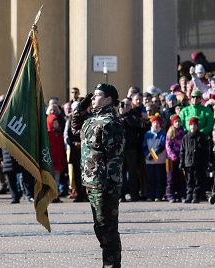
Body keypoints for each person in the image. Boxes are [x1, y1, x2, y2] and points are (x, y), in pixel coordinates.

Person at [71, 83, 124, 267]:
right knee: (101, 229)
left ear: (109, 99)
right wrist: (80, 107)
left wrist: (111, 185)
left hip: (104, 185)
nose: (93, 98)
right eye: (92, 96)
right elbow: (75, 129)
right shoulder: (92, 119)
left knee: (107, 231)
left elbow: (115, 158)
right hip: (91, 183)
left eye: (97, 95)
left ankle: (111, 265)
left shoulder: (111, 122)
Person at [179, 117, 208, 203]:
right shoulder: (185, 137)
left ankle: (196, 196)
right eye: (191, 124)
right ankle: (189, 196)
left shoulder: (201, 136)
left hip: (198, 162)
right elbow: (182, 150)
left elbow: (205, 151)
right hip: (188, 162)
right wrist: (182, 162)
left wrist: (205, 162)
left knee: (197, 180)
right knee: (189, 180)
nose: (193, 126)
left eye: (195, 125)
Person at [143, 115, 167, 202]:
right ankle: (150, 195)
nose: (156, 124)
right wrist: (147, 154)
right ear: (151, 123)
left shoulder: (162, 134)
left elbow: (162, 146)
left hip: (160, 160)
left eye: (157, 122)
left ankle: (158, 195)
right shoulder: (147, 134)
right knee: (150, 178)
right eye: (154, 122)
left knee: (159, 179)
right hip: (149, 161)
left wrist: (152, 154)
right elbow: (144, 146)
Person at [165, 115, 187, 203]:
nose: (177, 123)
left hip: (181, 158)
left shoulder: (184, 133)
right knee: (170, 178)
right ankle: (170, 195)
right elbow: (168, 146)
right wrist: (173, 156)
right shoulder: (170, 132)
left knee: (181, 177)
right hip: (169, 159)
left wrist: (181, 156)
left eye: (179, 121)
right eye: (176, 122)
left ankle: (182, 195)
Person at [47, 114, 67, 203]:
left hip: (58, 161)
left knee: (57, 180)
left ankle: (55, 195)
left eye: (57, 122)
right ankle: (51, 196)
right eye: (54, 123)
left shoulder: (59, 134)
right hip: (51, 162)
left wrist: (63, 161)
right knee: (51, 180)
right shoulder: (48, 135)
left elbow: (61, 149)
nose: (56, 124)